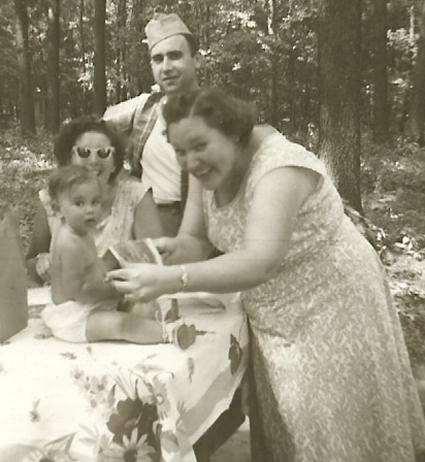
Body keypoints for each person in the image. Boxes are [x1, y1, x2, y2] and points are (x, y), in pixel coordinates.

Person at [106, 88, 425, 461]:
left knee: (332, 425)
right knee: (289, 427)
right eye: (179, 151)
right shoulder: (205, 164)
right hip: (272, 312)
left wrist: (171, 278)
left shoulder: (279, 169)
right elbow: (194, 238)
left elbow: (260, 260)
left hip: (334, 304)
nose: (190, 160)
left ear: (236, 133)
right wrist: (167, 250)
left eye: (198, 146)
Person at [26, 115, 163, 285]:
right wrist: (41, 262)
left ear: (114, 163)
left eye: (103, 153)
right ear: (69, 159)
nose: (93, 160)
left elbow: (155, 261)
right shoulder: (50, 199)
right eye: (83, 152)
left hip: (124, 299)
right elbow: (30, 264)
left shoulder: (136, 196)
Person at [40, 164, 163, 344]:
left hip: (92, 303)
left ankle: (158, 321)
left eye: (95, 202)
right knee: (121, 324)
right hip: (73, 315)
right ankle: (169, 334)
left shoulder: (83, 233)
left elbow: (93, 268)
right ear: (58, 209)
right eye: (79, 203)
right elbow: (78, 292)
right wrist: (114, 292)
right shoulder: (69, 243)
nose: (90, 210)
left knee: (142, 304)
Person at [103, 13, 200, 237]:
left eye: (175, 56)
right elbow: (92, 132)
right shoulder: (145, 107)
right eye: (158, 59)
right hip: (147, 218)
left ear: (196, 60)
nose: (166, 67)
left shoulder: (216, 111)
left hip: (202, 224)